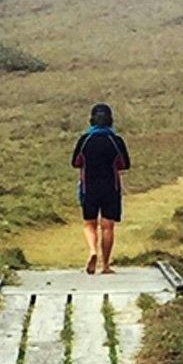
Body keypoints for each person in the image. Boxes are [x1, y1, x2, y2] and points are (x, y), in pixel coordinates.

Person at [72, 102, 131, 274]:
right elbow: (124, 164)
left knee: (89, 224)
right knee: (107, 226)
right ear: (110, 120)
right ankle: (105, 265)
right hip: (110, 188)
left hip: (88, 187)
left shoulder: (85, 140)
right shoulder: (116, 140)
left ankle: (92, 251)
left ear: (91, 120)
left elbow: (76, 162)